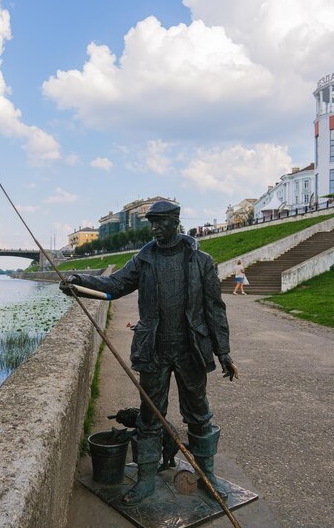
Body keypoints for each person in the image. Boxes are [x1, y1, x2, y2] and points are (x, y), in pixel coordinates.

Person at [60, 201, 237, 505]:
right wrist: (79, 281)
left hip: (190, 349)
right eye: (151, 223)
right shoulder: (145, 258)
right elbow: (115, 285)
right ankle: (144, 480)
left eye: (160, 222)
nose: (154, 228)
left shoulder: (202, 261)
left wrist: (223, 352)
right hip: (154, 348)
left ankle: (208, 474)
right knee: (150, 416)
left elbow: (214, 310)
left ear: (176, 222)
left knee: (198, 414)